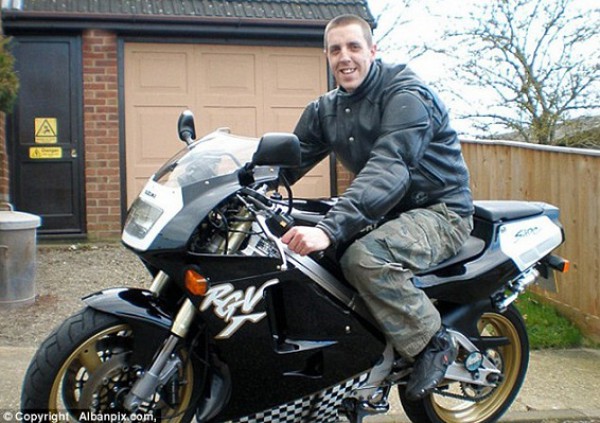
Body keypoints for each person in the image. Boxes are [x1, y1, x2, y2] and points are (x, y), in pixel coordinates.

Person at [280, 14, 475, 401]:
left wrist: (329, 229)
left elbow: (390, 168)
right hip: (387, 210)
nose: (344, 57)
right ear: (326, 56)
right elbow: (284, 163)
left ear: (373, 50)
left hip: (441, 211)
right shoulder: (325, 109)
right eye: (335, 49)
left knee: (364, 258)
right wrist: (235, 182)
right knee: (311, 258)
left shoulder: (406, 95)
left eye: (354, 47)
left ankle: (433, 341)